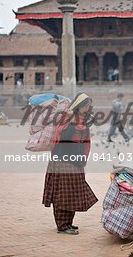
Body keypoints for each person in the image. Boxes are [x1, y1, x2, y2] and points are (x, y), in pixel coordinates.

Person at [42, 93, 98, 234]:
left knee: (74, 192)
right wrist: (72, 121)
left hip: (76, 160)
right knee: (62, 192)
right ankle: (62, 225)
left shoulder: (84, 121)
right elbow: (62, 137)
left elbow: (85, 141)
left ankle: (68, 223)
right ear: (79, 105)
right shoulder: (66, 118)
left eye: (89, 106)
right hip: (62, 159)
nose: (87, 108)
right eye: (86, 105)